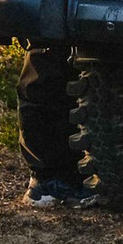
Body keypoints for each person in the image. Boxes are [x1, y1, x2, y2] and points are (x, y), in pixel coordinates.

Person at [19, 47, 93, 208]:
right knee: (47, 75)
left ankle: (61, 178)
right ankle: (50, 182)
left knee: (72, 79)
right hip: (48, 35)